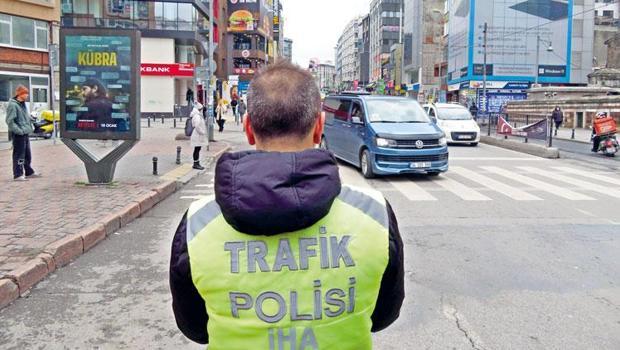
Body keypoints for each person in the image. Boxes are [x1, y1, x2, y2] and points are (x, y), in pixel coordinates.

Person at [169, 60, 404, 349]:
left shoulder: (199, 222)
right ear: (319, 127)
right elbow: (382, 314)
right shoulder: (374, 213)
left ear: (249, 129)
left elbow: (194, 327)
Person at [6, 85, 40, 181]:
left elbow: (23, 117)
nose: (27, 95)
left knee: (27, 154)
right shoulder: (13, 105)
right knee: (19, 154)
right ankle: (18, 174)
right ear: (20, 94)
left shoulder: (22, 104)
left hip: (25, 133)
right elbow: (9, 121)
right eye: (26, 93)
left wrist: (31, 119)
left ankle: (29, 172)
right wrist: (19, 131)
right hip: (19, 134)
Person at [190, 102, 207, 170]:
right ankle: (196, 163)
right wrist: (202, 132)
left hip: (197, 134)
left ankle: (197, 163)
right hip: (197, 135)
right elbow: (197, 125)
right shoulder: (197, 116)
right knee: (197, 149)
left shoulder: (197, 115)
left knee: (197, 149)